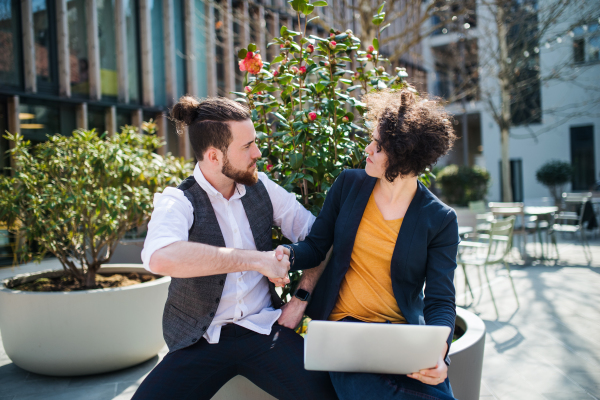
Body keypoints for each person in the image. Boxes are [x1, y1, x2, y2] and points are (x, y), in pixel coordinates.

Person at [132, 96, 337, 400]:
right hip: (199, 340)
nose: (257, 152)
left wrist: (300, 300)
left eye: (254, 142)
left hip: (265, 330)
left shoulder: (263, 187)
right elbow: (160, 257)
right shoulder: (178, 200)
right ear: (214, 157)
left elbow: (320, 238)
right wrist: (257, 261)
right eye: (246, 147)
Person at [275, 89, 459, 400]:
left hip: (402, 335)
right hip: (343, 331)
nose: (367, 149)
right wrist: (287, 255)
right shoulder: (348, 185)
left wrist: (438, 355)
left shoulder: (439, 220)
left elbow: (440, 300)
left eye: (379, 146)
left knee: (434, 392)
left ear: (403, 156)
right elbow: (317, 247)